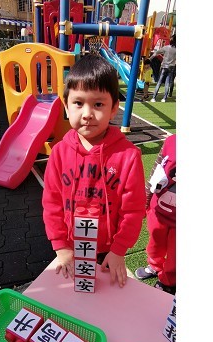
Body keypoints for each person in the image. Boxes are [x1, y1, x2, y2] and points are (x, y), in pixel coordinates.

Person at [42, 54, 147, 287]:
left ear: (114, 108)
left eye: (98, 104)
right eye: (78, 103)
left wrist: (119, 250)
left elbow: (133, 210)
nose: (87, 113)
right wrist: (61, 246)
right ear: (66, 106)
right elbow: (51, 203)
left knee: (106, 297)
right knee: (74, 296)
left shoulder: (128, 156)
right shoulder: (59, 153)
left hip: (109, 250)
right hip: (70, 246)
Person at [134, 135, 176, 294]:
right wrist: (146, 200)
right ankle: (154, 265)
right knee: (155, 243)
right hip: (158, 210)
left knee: (175, 253)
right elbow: (156, 170)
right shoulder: (171, 141)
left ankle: (168, 281)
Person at [149, 35, 176, 102]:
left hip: (164, 66)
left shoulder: (166, 47)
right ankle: (164, 98)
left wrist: (150, 59)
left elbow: (156, 53)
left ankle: (154, 98)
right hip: (171, 67)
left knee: (159, 82)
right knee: (167, 83)